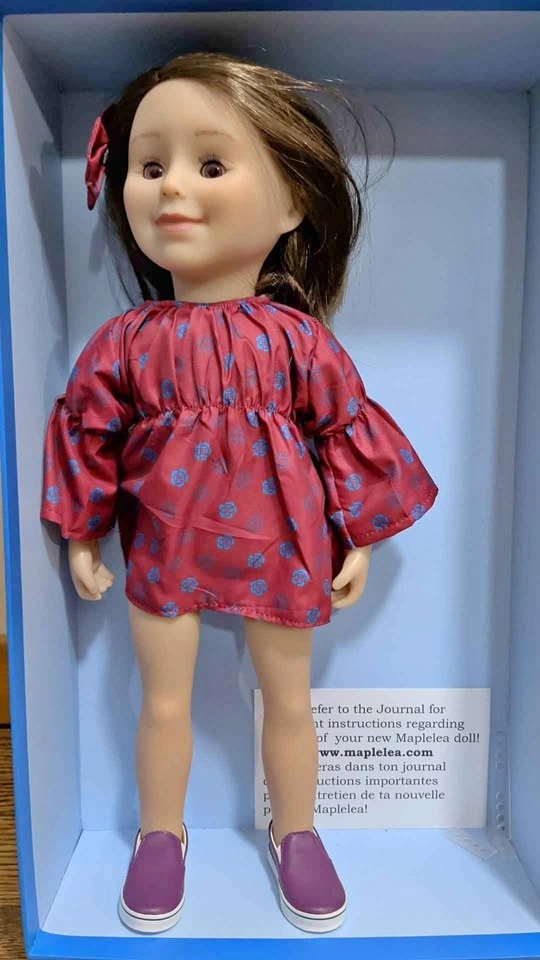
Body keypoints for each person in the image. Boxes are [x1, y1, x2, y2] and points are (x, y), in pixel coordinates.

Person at [41, 51, 438, 936]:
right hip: (165, 544)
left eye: (211, 164)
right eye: (150, 166)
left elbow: (343, 428)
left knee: (289, 699)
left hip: (282, 540)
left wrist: (360, 534)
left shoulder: (296, 340)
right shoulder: (128, 341)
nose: (173, 188)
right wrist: (83, 531)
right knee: (163, 701)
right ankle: (160, 833)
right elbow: (88, 431)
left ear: (293, 202)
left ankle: (297, 832)